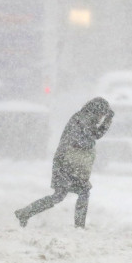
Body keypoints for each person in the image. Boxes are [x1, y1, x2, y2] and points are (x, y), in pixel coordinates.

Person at [15, 97, 114, 228]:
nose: (101, 117)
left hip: (71, 163)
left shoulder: (84, 118)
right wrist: (105, 122)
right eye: (102, 114)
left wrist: (107, 121)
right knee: (67, 194)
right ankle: (78, 226)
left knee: (71, 193)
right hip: (66, 163)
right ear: (97, 111)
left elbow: (95, 135)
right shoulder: (82, 119)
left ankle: (25, 213)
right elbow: (88, 138)